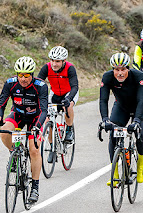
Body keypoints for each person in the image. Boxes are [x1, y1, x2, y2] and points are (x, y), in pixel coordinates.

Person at [0, 56, 48, 203]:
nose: (23, 78)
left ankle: (35, 187)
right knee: (4, 130)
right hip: (18, 115)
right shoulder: (10, 83)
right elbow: (1, 103)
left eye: (27, 75)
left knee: (34, 149)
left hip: (36, 117)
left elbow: (44, 110)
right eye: (20, 74)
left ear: (32, 74)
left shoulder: (40, 86)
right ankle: (14, 152)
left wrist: (37, 128)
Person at [100, 53, 143, 184]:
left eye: (123, 69)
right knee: (113, 134)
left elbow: (142, 100)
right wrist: (105, 119)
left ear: (128, 68)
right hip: (122, 107)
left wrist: (137, 121)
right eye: (116, 69)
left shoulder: (138, 76)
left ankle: (140, 164)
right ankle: (114, 172)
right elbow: (103, 100)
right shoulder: (107, 77)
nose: (120, 73)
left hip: (139, 105)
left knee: (140, 133)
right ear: (112, 70)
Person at [38, 46, 78, 142]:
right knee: (48, 119)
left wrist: (69, 98)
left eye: (57, 61)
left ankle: (69, 129)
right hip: (55, 93)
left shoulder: (70, 68)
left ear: (64, 61)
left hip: (69, 92)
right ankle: (52, 147)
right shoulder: (46, 68)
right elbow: (38, 84)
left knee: (68, 107)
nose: (54, 64)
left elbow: (75, 87)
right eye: (52, 60)